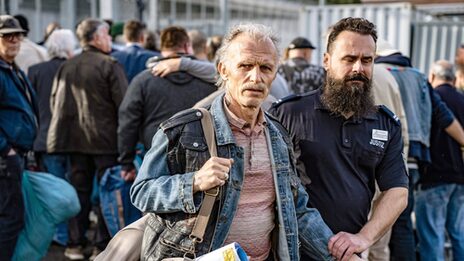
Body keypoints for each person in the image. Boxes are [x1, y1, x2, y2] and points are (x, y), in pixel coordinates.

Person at [130, 23, 351, 261]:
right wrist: (192, 182)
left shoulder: (277, 135)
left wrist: (339, 254)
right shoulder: (184, 129)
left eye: (265, 67)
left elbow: (297, 210)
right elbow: (142, 191)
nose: (255, 77)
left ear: (274, 73)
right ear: (223, 69)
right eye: (245, 65)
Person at [269, 17, 409, 259]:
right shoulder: (288, 114)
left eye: (367, 60)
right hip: (295, 253)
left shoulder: (385, 124)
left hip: (351, 253)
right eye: (349, 59)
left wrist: (364, 237)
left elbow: (397, 192)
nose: (358, 68)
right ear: (326, 61)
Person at [375, 40, 464, 261]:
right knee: (408, 224)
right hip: (419, 161)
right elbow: (444, 117)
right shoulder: (419, 77)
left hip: (392, 158)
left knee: (382, 224)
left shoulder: (378, 72)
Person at [47, 19, 128, 260]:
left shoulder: (67, 65)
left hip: (73, 141)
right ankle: (100, 246)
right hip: (105, 142)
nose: (110, 40)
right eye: (107, 35)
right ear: (97, 38)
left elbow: (55, 101)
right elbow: (124, 106)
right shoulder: (109, 65)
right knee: (107, 192)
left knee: (79, 192)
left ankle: (74, 244)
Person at [118, 26, 216, 183]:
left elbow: (128, 122)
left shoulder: (143, 80)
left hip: (155, 154)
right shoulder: (211, 81)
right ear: (186, 46)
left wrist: (126, 162)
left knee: (155, 202)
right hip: (202, 158)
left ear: (162, 47)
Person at [27, 28, 76, 246]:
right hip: (75, 141)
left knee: (52, 190)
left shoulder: (36, 70)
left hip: (44, 139)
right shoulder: (74, 68)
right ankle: (71, 236)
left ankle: (57, 236)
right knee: (73, 190)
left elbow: (30, 107)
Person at [415, 60, 464, 261]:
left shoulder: (430, 99)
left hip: (434, 176)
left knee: (432, 234)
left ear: (432, 77)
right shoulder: (462, 100)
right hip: (460, 179)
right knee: (458, 232)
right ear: (453, 79)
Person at [0, 15, 37, 261]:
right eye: (6, 35)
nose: (14, 40)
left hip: (16, 154)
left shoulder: (12, 68)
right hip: (6, 158)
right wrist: (5, 150)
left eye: (18, 35)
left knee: (12, 217)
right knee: (10, 219)